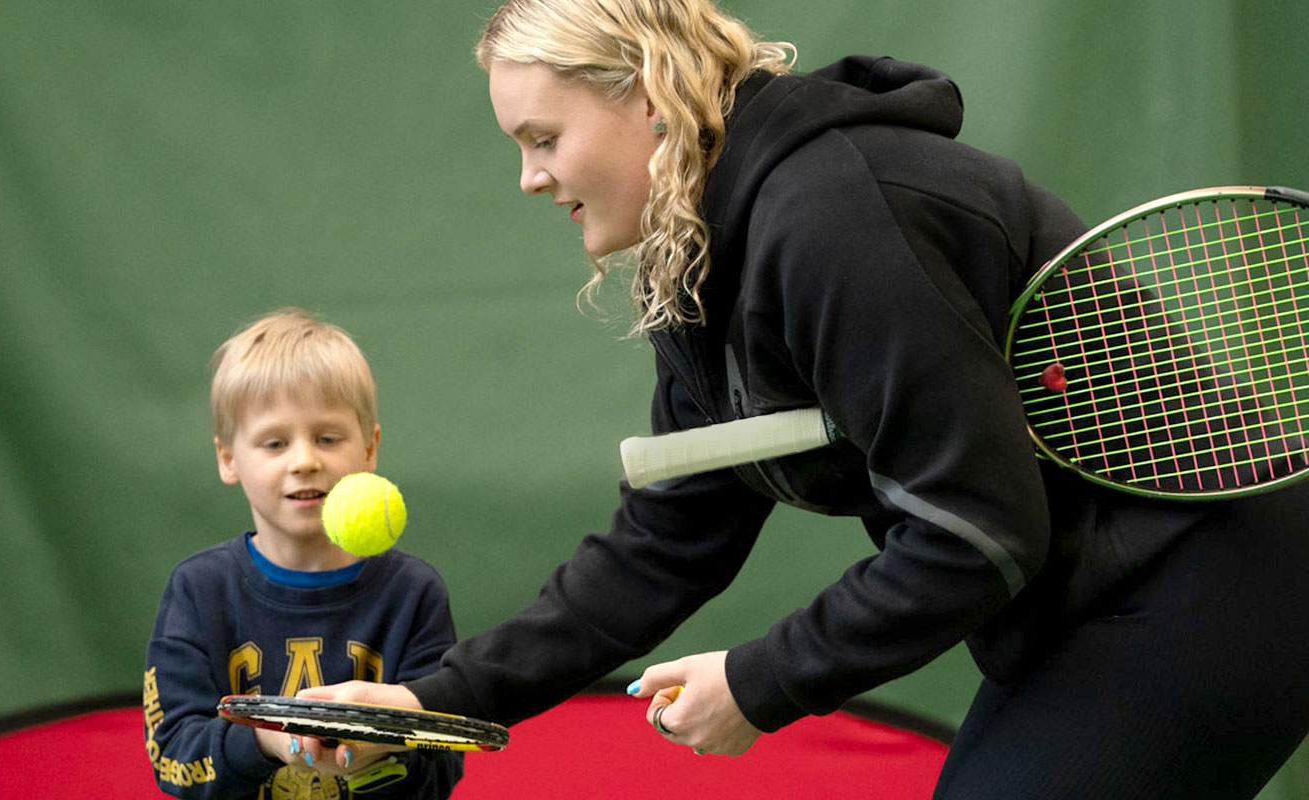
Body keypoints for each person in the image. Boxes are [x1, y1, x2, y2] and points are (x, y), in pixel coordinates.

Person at [297, 2, 1309, 797]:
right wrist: (430, 697)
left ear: (647, 96)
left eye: (542, 136)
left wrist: (760, 678)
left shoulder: (831, 217)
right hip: (1087, 598)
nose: (528, 176)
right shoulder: (700, 259)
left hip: (1212, 565)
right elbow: (669, 541)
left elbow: (975, 531)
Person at [143, 308, 462, 799]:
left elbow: (442, 765)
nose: (305, 460)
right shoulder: (197, 590)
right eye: (274, 443)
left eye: (327, 438)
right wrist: (265, 740)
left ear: (369, 448)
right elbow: (173, 758)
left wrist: (380, 753)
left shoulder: (413, 593)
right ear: (229, 459)